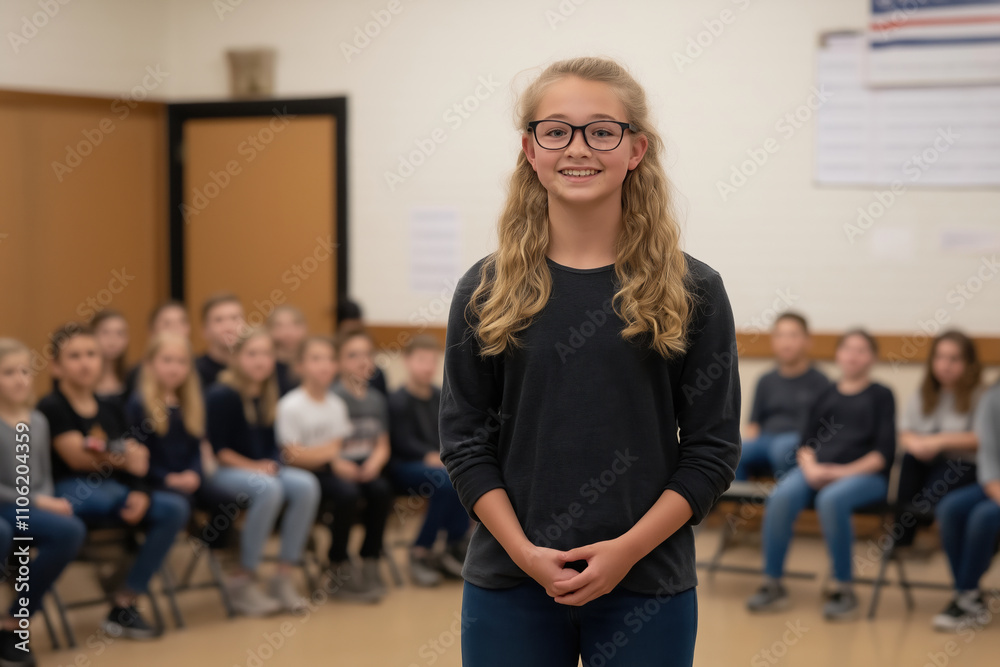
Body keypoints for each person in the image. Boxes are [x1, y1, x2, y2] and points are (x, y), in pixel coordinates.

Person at [439, 57, 740, 667]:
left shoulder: (694, 290)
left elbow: (711, 451)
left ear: (636, 149)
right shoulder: (486, 289)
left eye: (601, 131)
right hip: (511, 581)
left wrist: (626, 550)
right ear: (530, 149)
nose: (578, 148)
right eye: (556, 131)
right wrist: (525, 554)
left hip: (646, 584)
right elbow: (465, 444)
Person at [37, 324, 189, 639]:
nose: (85, 363)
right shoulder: (51, 406)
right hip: (70, 492)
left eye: (91, 354)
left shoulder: (111, 408)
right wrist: (123, 458)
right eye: (74, 356)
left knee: (174, 508)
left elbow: (136, 460)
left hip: (116, 491)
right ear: (56, 366)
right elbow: (76, 458)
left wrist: (141, 492)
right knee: (101, 495)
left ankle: (124, 603)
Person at [747, 330, 896, 621]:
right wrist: (812, 468)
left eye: (861, 350)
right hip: (817, 471)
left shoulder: (881, 395)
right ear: (838, 354)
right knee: (780, 496)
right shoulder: (825, 393)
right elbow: (805, 443)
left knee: (831, 500)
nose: (853, 356)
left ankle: (843, 589)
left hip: (864, 477)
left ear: (873, 358)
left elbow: (884, 454)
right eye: (848, 349)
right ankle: (772, 584)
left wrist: (841, 472)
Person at [203, 327, 320, 616]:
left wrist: (272, 463)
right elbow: (218, 450)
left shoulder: (269, 393)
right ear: (236, 358)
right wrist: (256, 468)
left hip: (259, 470)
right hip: (223, 471)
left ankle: (283, 575)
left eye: (266, 354)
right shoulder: (222, 394)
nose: (260, 361)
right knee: (268, 488)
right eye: (252, 354)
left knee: (306, 485)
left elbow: (272, 446)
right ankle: (243, 579)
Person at [276, 335, 382, 603]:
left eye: (329, 359)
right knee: (346, 493)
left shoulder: (336, 405)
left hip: (327, 470)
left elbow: (335, 446)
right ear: (299, 366)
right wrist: (327, 456)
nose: (324, 365)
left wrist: (321, 454)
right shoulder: (291, 405)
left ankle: (361, 560)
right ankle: (337, 563)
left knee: (373, 490)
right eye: (315, 359)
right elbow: (292, 455)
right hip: (302, 475)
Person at [0, 338, 86, 667]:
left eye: (24, 371)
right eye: (9, 372)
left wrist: (46, 500)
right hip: (7, 506)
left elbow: (44, 475)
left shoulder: (37, 421)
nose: (19, 379)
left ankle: (14, 623)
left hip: (29, 507)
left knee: (69, 530)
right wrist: (38, 502)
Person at [388, 334, 469, 586]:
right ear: (407, 361)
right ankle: (420, 550)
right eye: (421, 360)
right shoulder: (397, 401)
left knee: (464, 475)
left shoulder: (440, 396)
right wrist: (429, 455)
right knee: (444, 481)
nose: (428, 366)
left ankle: (453, 547)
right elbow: (401, 442)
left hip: (438, 463)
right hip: (404, 466)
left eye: (433, 361)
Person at [894, 331, 982, 549]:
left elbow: (981, 438)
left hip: (963, 464)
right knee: (909, 460)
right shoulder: (923, 393)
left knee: (925, 503)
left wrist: (939, 441)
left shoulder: (980, 395)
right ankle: (901, 540)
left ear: (969, 363)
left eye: (954, 359)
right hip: (926, 461)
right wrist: (915, 444)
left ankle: (925, 526)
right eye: (940, 357)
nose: (945, 365)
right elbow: (905, 431)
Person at [329, 328, 394, 597]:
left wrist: (374, 464)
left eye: (367, 354)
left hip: (366, 465)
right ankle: (338, 564)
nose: (361, 361)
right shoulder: (332, 397)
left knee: (381, 491)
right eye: (353, 355)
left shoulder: (376, 399)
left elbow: (382, 443)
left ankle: (370, 559)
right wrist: (337, 463)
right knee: (347, 496)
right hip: (337, 467)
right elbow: (325, 444)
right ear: (339, 362)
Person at [932, 378, 1000, 631]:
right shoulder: (993, 396)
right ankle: (969, 594)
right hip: (994, 482)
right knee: (950, 509)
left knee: (983, 516)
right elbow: (989, 451)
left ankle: (965, 595)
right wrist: (994, 486)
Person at [735, 312, 829, 480]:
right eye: (780, 335)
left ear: (807, 341)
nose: (786, 342)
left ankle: (785, 493)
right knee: (737, 451)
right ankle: (736, 497)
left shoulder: (820, 381)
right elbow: (754, 424)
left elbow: (824, 428)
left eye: (793, 335)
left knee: (782, 448)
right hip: (766, 440)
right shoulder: (766, 380)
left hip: (800, 442)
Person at [124, 300, 192, 396]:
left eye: (182, 322)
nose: (175, 328)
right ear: (152, 330)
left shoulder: (196, 367)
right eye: (167, 323)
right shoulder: (137, 374)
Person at [335, 300, 387, 395]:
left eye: (368, 354)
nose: (362, 363)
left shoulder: (376, 394)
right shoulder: (332, 395)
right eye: (353, 355)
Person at [196, 293, 245, 388]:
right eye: (219, 320)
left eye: (234, 318)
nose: (228, 327)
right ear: (204, 330)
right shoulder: (194, 372)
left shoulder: (256, 368)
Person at [90, 310, 131, 410]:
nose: (113, 340)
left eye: (120, 333)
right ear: (91, 335)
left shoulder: (132, 378)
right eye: (105, 332)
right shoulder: (83, 377)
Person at [268, 305, 308, 396]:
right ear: (269, 329)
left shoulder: (311, 360)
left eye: (295, 324)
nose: (288, 332)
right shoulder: (266, 363)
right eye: (279, 325)